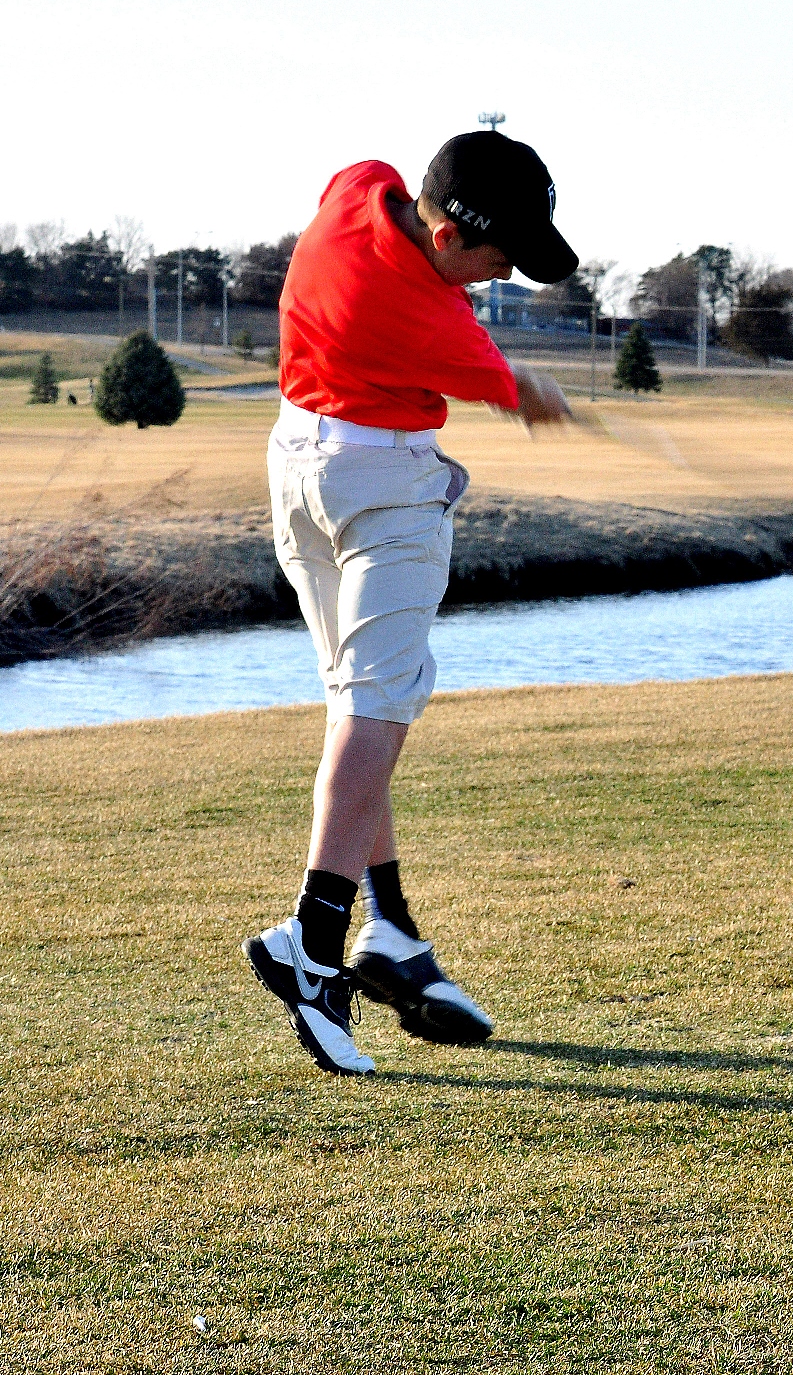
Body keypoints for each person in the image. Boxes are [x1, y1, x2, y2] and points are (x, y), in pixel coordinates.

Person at [243, 131, 579, 1075]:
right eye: (497, 254)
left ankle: (389, 929)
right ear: (444, 234)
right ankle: (311, 948)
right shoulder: (430, 319)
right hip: (382, 491)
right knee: (375, 711)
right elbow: (501, 383)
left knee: (360, 712)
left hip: (295, 471)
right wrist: (535, 395)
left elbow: (361, 189)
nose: (502, 272)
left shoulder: (360, 188)